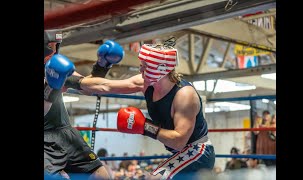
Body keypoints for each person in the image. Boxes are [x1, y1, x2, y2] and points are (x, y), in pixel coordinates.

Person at [77, 42, 215, 179]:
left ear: (159, 68)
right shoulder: (145, 82)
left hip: (197, 151)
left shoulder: (185, 95)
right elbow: (105, 86)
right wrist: (72, 80)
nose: (140, 69)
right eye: (141, 65)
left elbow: (179, 141)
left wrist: (144, 126)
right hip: (179, 153)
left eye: (145, 66)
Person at [44, 29, 124, 179]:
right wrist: (51, 86)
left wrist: (102, 65)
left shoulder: (56, 66)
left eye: (57, 45)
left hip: (65, 132)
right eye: (51, 46)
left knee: (101, 175)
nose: (55, 50)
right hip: (45, 139)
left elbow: (87, 87)